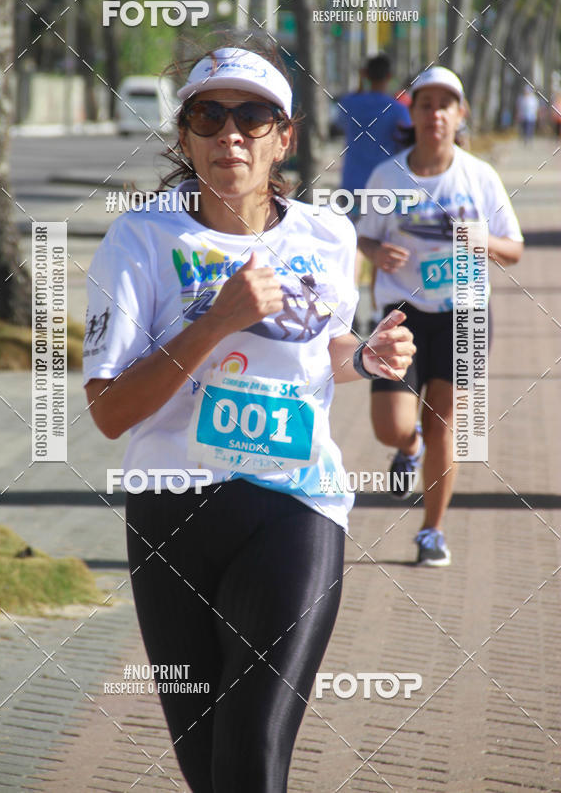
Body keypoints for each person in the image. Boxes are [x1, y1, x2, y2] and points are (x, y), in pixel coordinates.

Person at [83, 46, 415, 792]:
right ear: (185, 135)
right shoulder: (140, 242)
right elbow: (108, 414)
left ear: (284, 137)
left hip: (296, 503)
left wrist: (366, 357)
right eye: (209, 115)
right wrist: (215, 322)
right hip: (170, 517)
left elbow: (321, 348)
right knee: (208, 771)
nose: (230, 134)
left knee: (253, 753)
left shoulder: (328, 238)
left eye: (253, 116)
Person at [357, 65, 523, 567]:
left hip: (466, 312)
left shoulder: (480, 176)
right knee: (391, 426)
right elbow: (362, 234)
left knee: (443, 424)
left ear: (459, 114)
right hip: (402, 313)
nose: (435, 114)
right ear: (414, 112)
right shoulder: (388, 175)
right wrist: (376, 251)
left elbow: (512, 249)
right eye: (426, 104)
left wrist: (481, 241)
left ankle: (432, 531)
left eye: (445, 105)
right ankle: (405, 449)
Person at [338, 53, 411, 200]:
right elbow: (407, 141)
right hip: (384, 185)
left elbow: (340, 123)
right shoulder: (397, 109)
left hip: (352, 183)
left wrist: (360, 83)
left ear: (365, 75)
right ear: (389, 76)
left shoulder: (349, 104)